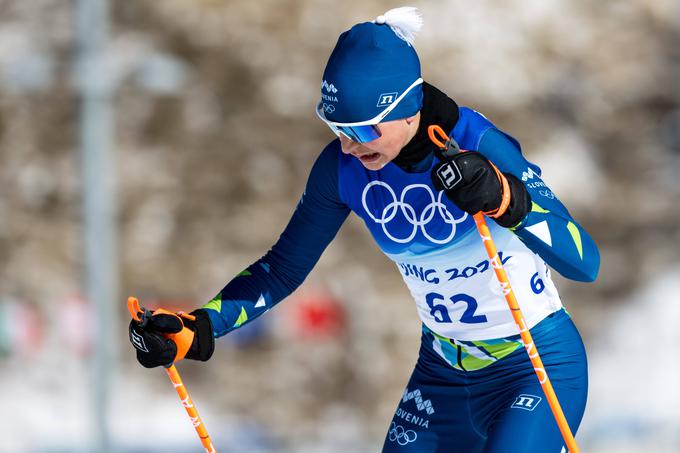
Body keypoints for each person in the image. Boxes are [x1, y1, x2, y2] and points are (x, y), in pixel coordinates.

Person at [128, 7, 599, 452]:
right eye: (336, 127)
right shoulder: (341, 170)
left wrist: (504, 197)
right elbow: (283, 267)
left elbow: (584, 261)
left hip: (533, 368)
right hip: (442, 375)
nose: (350, 145)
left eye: (363, 130)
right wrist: (200, 324)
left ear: (408, 108)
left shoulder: (476, 143)